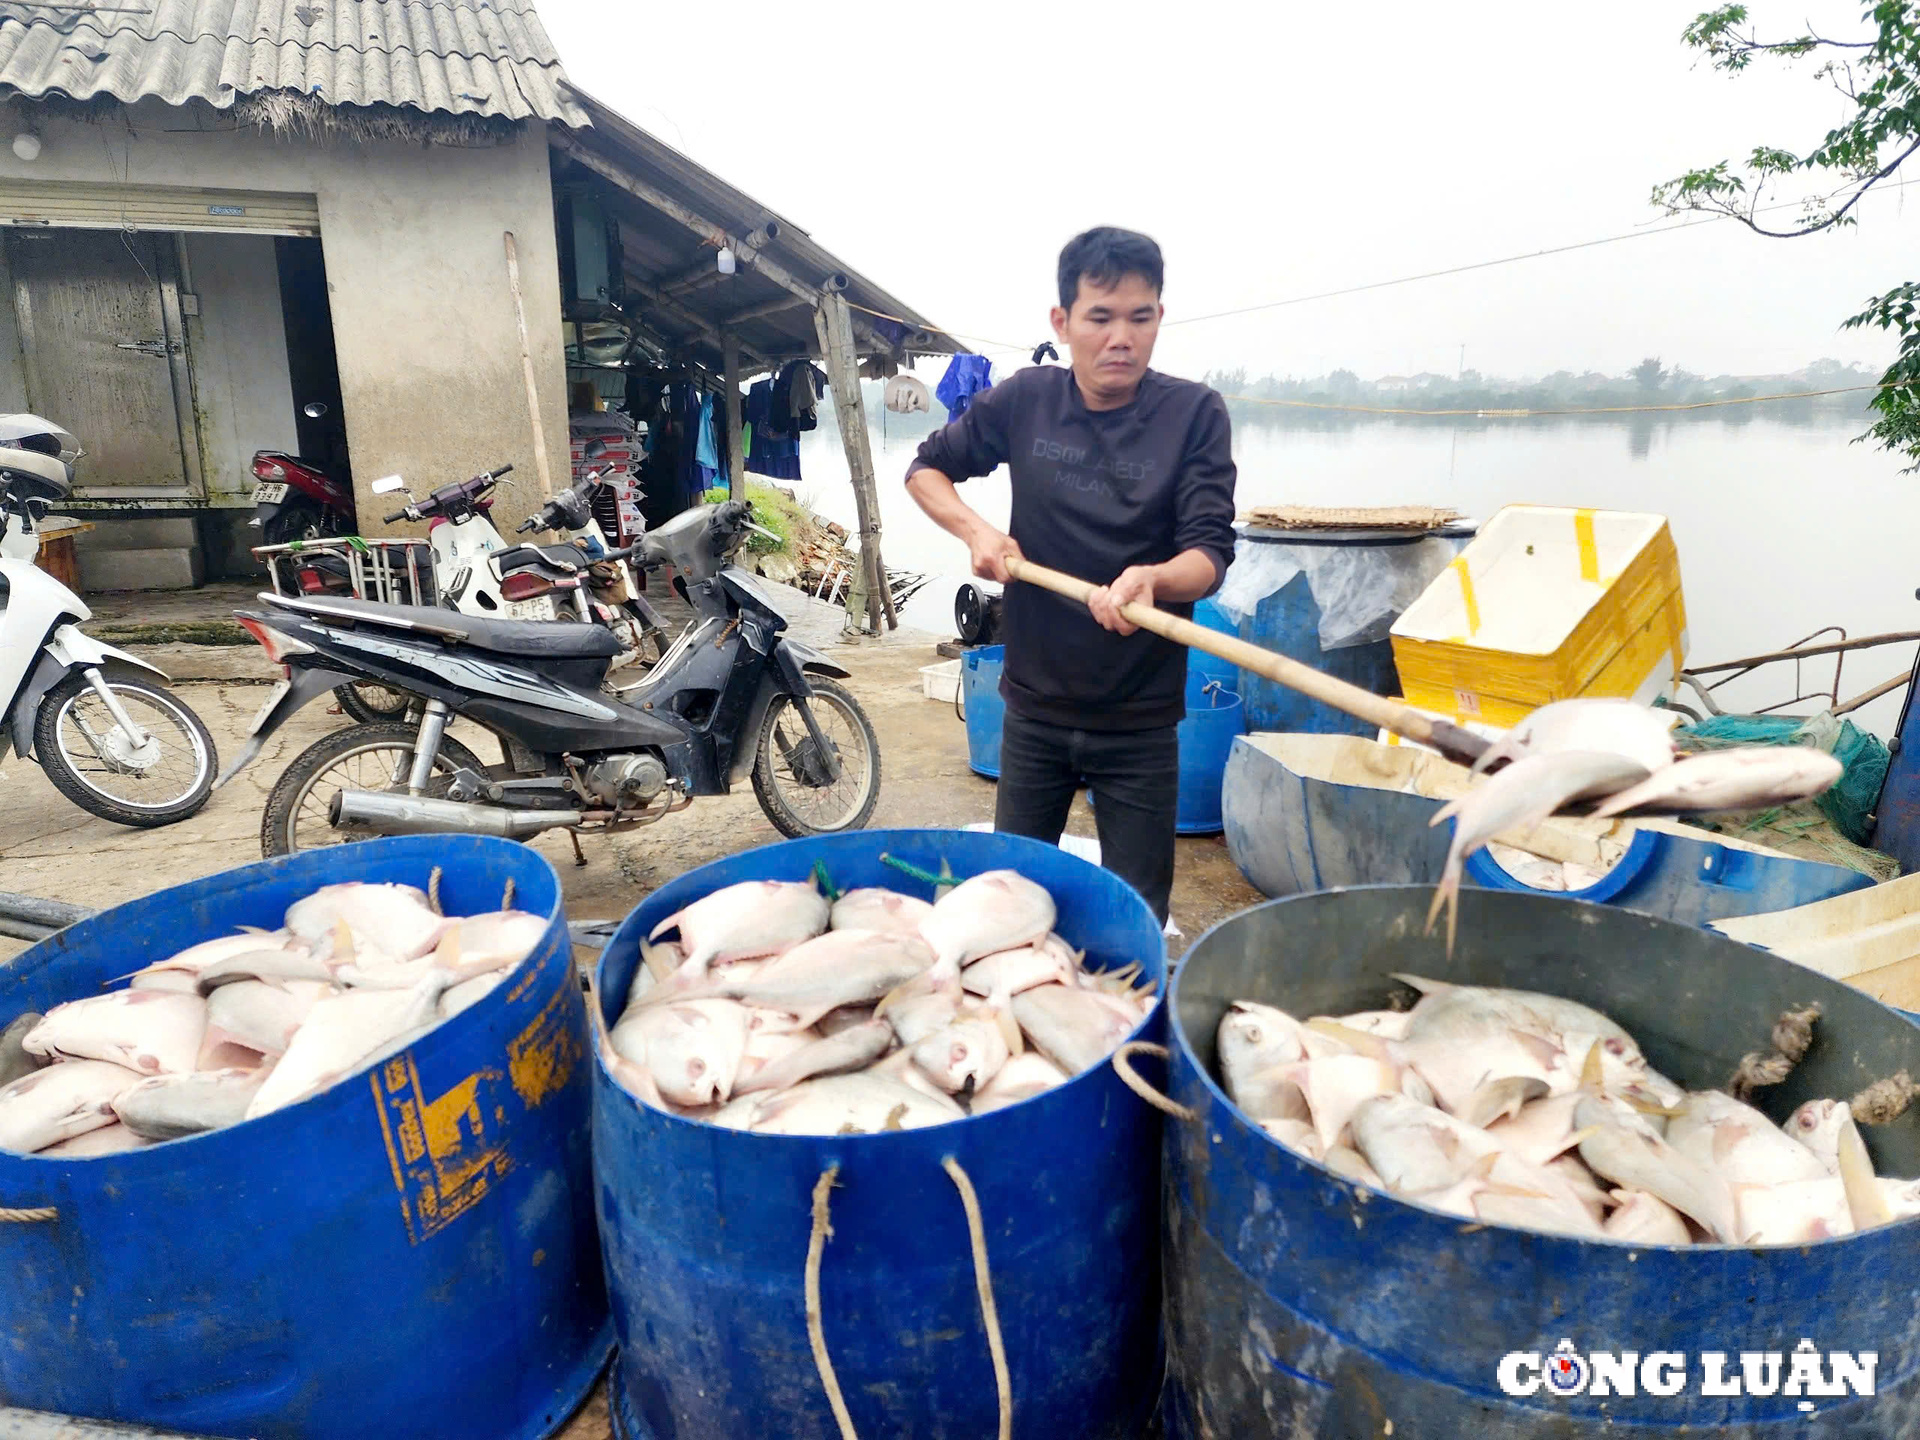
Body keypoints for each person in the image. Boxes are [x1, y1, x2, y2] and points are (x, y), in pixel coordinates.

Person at [905, 226, 1237, 922]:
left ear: (1158, 319)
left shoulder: (1194, 415)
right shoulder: (1026, 400)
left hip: (1141, 720)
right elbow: (926, 469)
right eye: (1101, 317)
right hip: (1033, 711)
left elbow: (1210, 555)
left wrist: (1155, 579)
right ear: (1063, 321)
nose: (1122, 337)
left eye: (1140, 318)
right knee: (1007, 907)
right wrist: (979, 532)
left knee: (1135, 916)